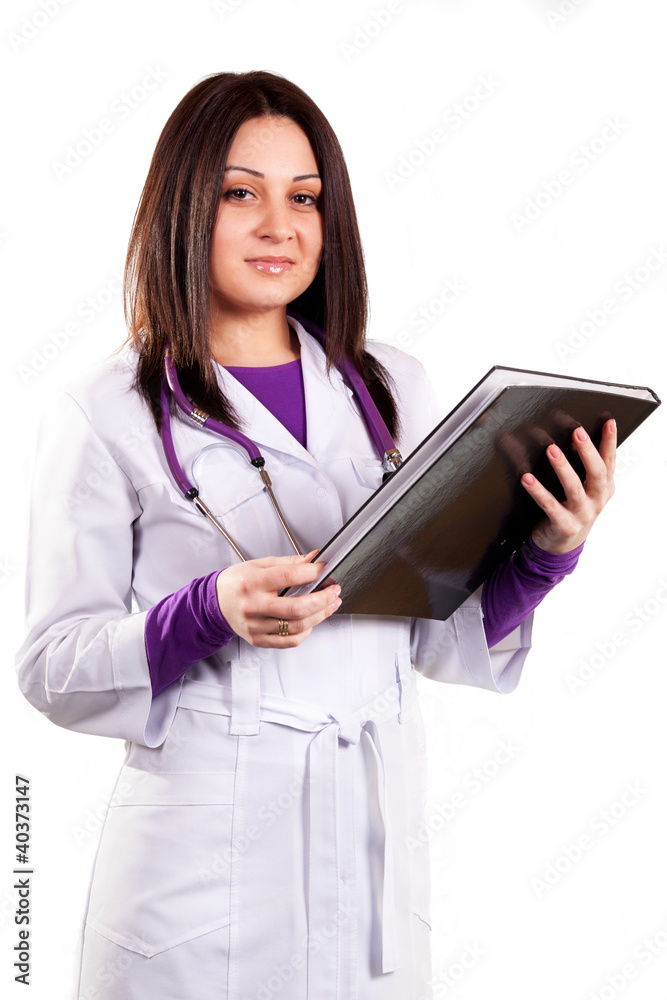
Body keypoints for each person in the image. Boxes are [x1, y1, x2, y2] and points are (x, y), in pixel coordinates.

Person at [15, 70, 616, 1000]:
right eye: (239, 194)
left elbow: (435, 631)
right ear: (182, 209)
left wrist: (543, 556)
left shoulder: (391, 388)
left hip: (366, 855)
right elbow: (51, 667)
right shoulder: (104, 411)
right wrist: (206, 611)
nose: (279, 226)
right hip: (194, 879)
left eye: (305, 199)